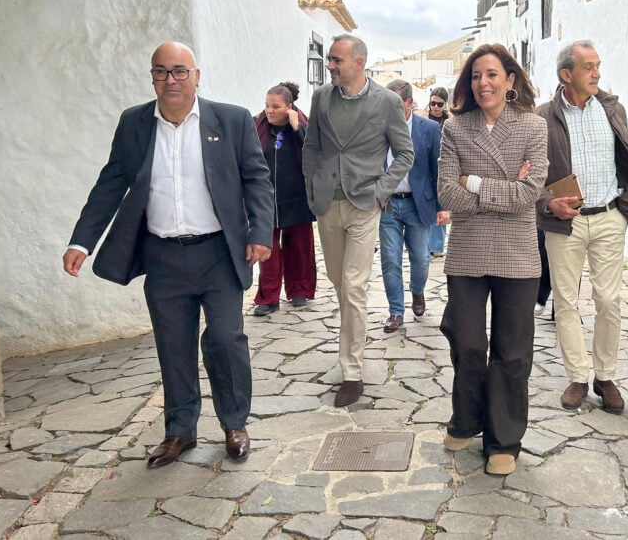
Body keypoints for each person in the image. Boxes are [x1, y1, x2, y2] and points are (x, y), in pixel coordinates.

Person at [62, 41, 273, 468]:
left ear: (197, 76)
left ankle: (234, 423)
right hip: (162, 255)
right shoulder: (135, 123)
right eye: (161, 72)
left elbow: (256, 179)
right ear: (153, 77)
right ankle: (180, 431)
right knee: (172, 345)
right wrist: (81, 241)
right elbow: (111, 183)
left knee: (226, 340)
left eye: (179, 71)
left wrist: (260, 232)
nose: (170, 80)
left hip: (218, 252)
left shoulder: (230, 120)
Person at [437, 43, 548, 476]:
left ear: (510, 80)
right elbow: (447, 193)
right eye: (476, 76)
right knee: (466, 342)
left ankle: (504, 439)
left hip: (518, 253)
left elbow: (529, 195)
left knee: (513, 350)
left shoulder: (533, 127)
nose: (483, 83)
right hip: (466, 251)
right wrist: (502, 191)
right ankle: (466, 419)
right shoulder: (455, 128)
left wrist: (476, 181)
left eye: (492, 75)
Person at [537, 40, 628, 414]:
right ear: (567, 75)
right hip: (563, 224)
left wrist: (627, 209)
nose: (597, 73)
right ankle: (577, 377)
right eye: (589, 67)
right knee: (566, 302)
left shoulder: (612, 109)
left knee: (608, 300)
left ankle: (605, 375)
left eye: (598, 65)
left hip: (609, 217)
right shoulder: (542, 117)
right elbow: (530, 175)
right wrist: (547, 202)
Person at [303, 34, 414, 407]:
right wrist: (311, 188)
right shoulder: (321, 97)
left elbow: (404, 153)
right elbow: (312, 147)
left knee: (353, 286)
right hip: (327, 204)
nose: (330, 66)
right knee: (339, 282)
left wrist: (381, 191)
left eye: (336, 60)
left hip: (365, 204)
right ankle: (351, 342)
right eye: (330, 60)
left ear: (359, 62)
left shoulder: (386, 102)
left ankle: (352, 371)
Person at [379, 79, 448, 333]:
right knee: (390, 259)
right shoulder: (378, 128)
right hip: (388, 205)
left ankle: (417, 291)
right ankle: (395, 311)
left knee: (421, 258)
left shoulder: (428, 129)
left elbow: (437, 169)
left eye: (395, 103)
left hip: (418, 204)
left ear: (409, 103)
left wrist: (442, 206)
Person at [252, 81, 316, 316]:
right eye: (267, 105)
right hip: (265, 200)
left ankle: (300, 290)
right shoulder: (256, 126)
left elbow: (313, 151)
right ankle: (268, 297)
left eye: (275, 106)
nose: (269, 111)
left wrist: (297, 127)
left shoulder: (302, 126)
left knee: (299, 247)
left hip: (296, 197)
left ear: (289, 107)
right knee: (267, 249)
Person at [427, 87, 450, 258]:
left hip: (444, 168)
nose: (435, 107)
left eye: (439, 104)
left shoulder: (450, 123)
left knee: (442, 204)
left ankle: (436, 246)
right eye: (433, 103)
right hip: (425, 168)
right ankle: (425, 243)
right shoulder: (421, 120)